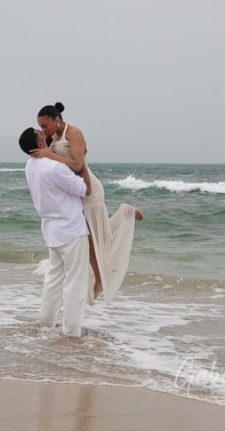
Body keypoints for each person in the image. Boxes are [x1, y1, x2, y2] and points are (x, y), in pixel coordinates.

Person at [32, 102, 142, 306]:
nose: (44, 129)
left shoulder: (74, 133)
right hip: (74, 194)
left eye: (46, 125)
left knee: (96, 240)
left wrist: (49, 154)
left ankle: (100, 280)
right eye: (41, 126)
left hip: (90, 192)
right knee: (92, 237)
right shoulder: (52, 137)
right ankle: (124, 215)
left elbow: (77, 164)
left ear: (57, 120)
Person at [19, 127, 91, 337]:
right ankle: (71, 332)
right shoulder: (54, 167)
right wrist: (82, 158)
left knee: (53, 280)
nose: (44, 133)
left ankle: (46, 323)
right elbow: (85, 189)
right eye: (40, 133)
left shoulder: (29, 166)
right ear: (40, 144)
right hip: (70, 229)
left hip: (51, 230)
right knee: (75, 283)